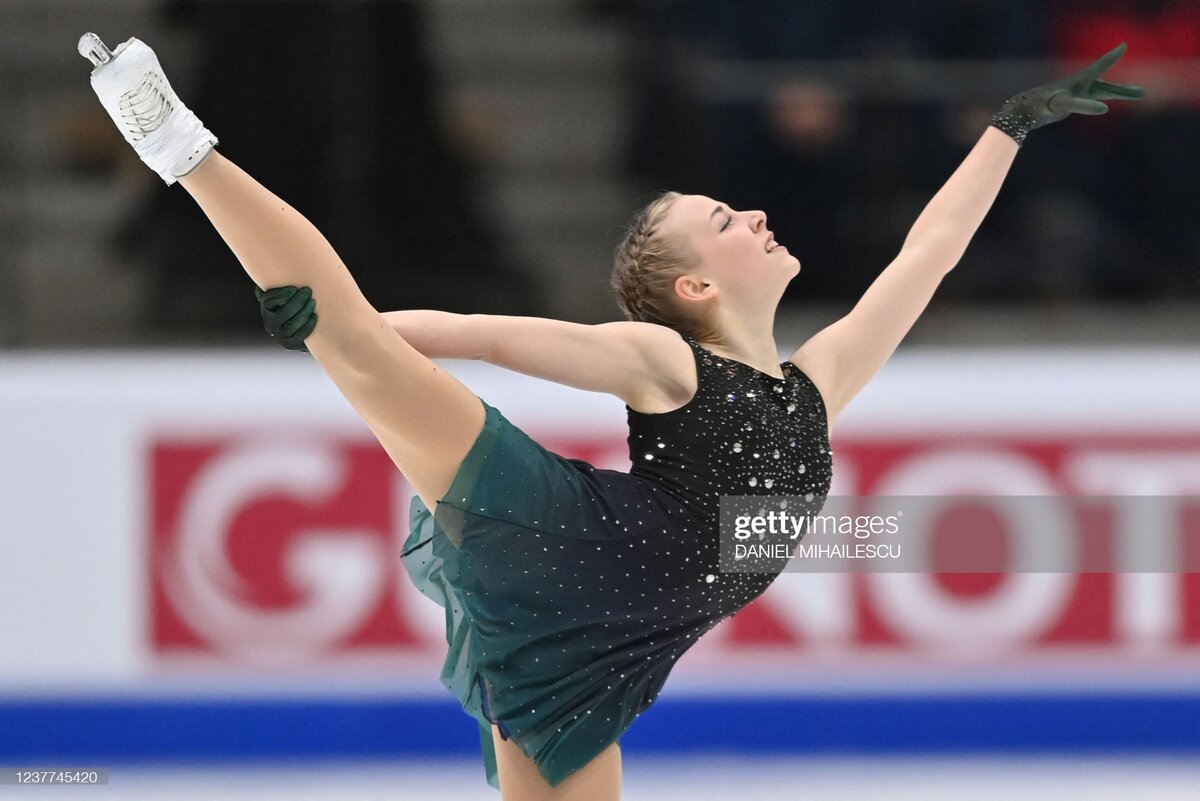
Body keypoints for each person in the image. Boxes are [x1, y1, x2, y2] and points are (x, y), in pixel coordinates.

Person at [79, 31, 1141, 800]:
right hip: (556, 535)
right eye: (726, 219)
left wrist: (1008, 126)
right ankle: (182, 146)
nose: (755, 213)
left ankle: (331, 319)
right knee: (350, 337)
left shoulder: (816, 385)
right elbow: (488, 333)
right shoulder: (667, 360)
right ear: (692, 289)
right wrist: (350, 334)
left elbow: (928, 254)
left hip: (612, 642)